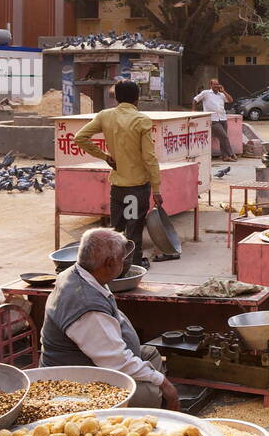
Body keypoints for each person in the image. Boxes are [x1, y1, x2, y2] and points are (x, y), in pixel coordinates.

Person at [39, 228, 180, 410]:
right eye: (122, 259)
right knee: (152, 392)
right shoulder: (87, 307)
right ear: (109, 263)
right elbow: (116, 362)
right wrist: (166, 386)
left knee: (151, 355)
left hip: (93, 361)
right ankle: (151, 416)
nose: (123, 263)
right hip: (73, 383)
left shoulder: (79, 273)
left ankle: (159, 401)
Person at [74, 80, 161, 268]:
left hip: (117, 186)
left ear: (116, 97)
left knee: (116, 232)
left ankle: (113, 269)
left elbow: (79, 137)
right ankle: (134, 269)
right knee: (134, 232)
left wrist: (104, 156)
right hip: (138, 186)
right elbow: (149, 157)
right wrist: (157, 188)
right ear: (137, 99)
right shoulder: (142, 120)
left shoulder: (105, 116)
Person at [193, 79, 237, 162]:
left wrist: (224, 91)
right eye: (215, 85)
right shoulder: (206, 93)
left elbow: (230, 100)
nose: (216, 86)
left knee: (222, 138)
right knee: (224, 136)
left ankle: (225, 157)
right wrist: (193, 110)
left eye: (217, 84)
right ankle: (231, 154)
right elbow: (195, 99)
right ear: (211, 85)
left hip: (223, 118)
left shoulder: (221, 95)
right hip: (213, 120)